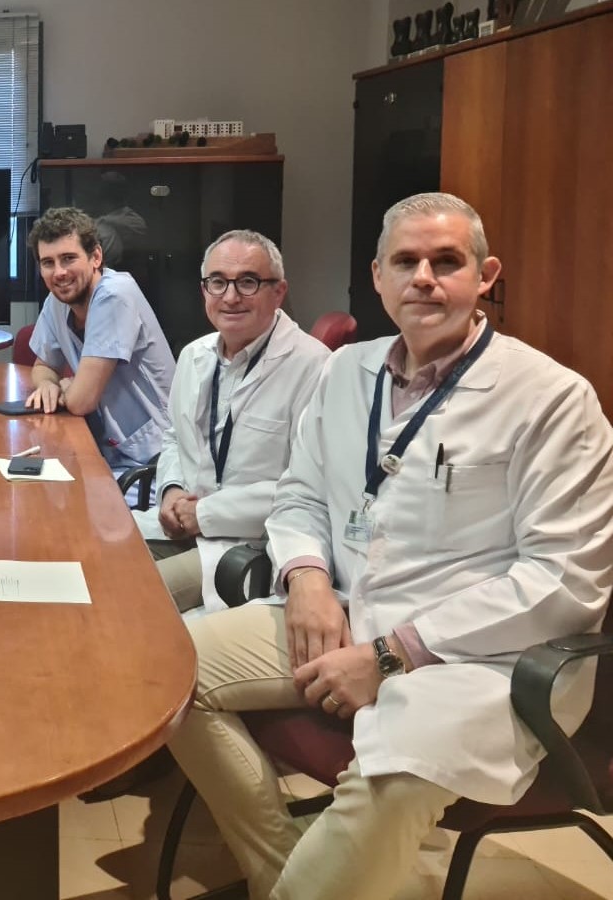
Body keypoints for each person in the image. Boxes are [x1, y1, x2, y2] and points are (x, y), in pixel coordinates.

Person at [167, 193, 613, 899]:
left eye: (447, 262)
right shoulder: (349, 372)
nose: (424, 279)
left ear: (485, 275)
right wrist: (308, 578)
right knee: (164, 673)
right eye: (406, 262)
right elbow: (299, 494)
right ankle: (282, 874)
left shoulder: (552, 400)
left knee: (393, 780)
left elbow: (562, 582)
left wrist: (391, 653)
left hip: (481, 661)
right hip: (345, 610)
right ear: (377, 276)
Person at [139, 230, 329, 614]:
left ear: (279, 292)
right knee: (93, 559)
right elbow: (175, 436)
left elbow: (308, 489)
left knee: (133, 596)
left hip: (247, 542)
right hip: (182, 525)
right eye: (218, 282)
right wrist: (172, 491)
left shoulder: (314, 366)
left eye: (248, 282)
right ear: (203, 290)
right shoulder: (195, 354)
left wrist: (204, 515)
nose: (230, 297)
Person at [23, 207, 175, 480]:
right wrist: (48, 384)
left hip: (152, 465)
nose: (59, 273)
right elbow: (43, 365)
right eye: (48, 262)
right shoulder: (57, 301)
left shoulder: (115, 295)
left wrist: (69, 385)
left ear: (95, 257)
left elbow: (81, 401)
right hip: (104, 451)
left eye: (68, 258)